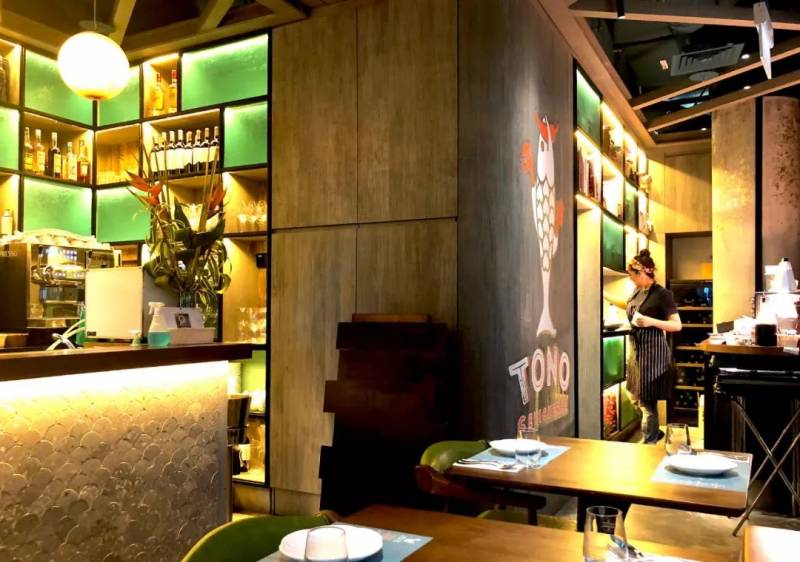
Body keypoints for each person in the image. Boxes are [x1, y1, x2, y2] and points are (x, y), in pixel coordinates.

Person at [604, 250, 682, 444]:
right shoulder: (637, 291)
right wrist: (604, 294)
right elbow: (628, 305)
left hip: (653, 354)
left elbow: (677, 325)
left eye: (631, 275)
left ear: (642, 273)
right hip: (637, 352)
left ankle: (649, 442)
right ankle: (654, 431)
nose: (630, 279)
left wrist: (650, 321)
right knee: (633, 395)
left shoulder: (662, 294)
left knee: (647, 402)